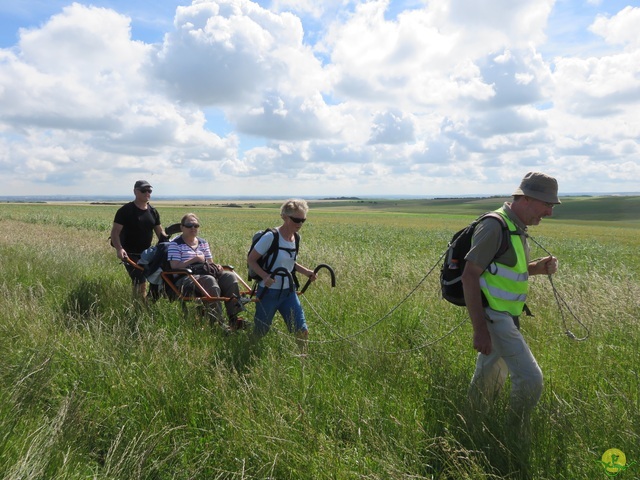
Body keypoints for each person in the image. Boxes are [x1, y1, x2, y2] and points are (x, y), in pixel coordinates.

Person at [461, 171, 560, 465]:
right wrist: (479, 328)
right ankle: (512, 435)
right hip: (495, 317)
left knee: (488, 380)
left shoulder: (514, 227)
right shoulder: (495, 226)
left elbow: (501, 270)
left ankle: (469, 430)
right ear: (525, 198)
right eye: (546, 204)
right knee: (530, 380)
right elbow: (470, 275)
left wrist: (537, 269)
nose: (550, 212)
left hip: (506, 316)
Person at [247, 199, 317, 351]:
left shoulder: (296, 238)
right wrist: (265, 277)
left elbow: (290, 263)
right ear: (285, 217)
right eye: (296, 220)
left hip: (289, 292)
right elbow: (251, 260)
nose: (299, 224)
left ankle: (303, 360)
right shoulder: (270, 237)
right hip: (268, 292)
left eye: (303, 220)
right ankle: (249, 351)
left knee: (302, 330)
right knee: (261, 331)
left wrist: (307, 272)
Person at [167, 213, 243, 331]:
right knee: (209, 280)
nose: (193, 228)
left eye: (196, 225)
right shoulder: (175, 244)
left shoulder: (203, 242)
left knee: (230, 277)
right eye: (189, 225)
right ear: (182, 227)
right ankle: (218, 322)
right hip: (185, 277)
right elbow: (174, 267)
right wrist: (194, 259)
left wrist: (216, 266)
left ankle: (234, 317)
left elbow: (209, 262)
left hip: (205, 273)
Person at [110, 180, 167, 301]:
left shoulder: (153, 211)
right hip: (129, 254)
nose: (147, 193)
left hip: (147, 254)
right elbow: (115, 232)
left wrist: (170, 243)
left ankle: (147, 303)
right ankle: (138, 307)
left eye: (149, 190)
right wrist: (119, 249)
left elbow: (160, 233)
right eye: (143, 190)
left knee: (160, 277)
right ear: (135, 192)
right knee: (140, 280)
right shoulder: (125, 210)